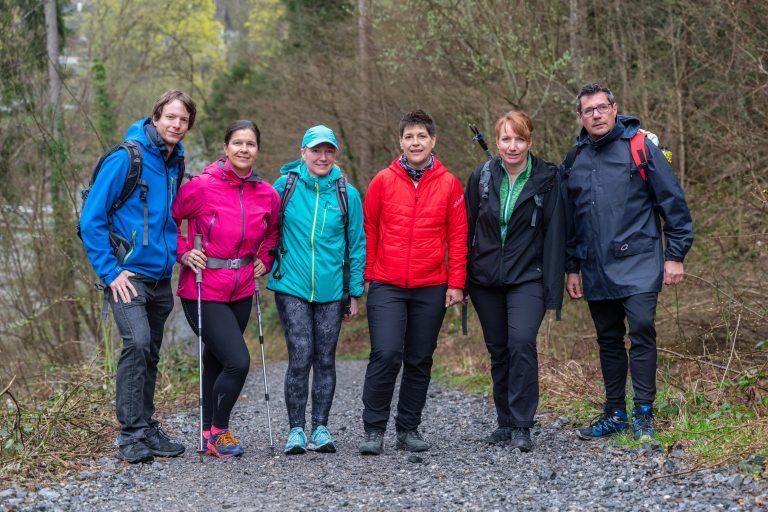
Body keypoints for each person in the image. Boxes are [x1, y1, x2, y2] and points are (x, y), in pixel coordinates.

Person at [562, 83, 694, 442]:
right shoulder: (575, 158)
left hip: (639, 261)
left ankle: (644, 414)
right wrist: (571, 266)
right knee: (607, 340)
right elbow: (570, 221)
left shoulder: (641, 147)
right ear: (580, 117)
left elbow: (674, 204)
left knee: (641, 333)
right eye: (589, 110)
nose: (596, 114)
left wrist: (675, 255)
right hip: (595, 267)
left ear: (614, 108)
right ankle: (615, 412)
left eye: (602, 107)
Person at [81, 90, 196, 463]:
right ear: (156, 117)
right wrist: (110, 272)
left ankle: (145, 427)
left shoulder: (174, 161)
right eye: (170, 117)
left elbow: (169, 220)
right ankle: (130, 435)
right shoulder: (126, 158)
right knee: (137, 344)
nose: (176, 125)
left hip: (161, 278)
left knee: (150, 354)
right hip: (127, 276)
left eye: (183, 120)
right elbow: (91, 220)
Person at [359, 110, 468, 455]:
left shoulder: (449, 183)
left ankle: (408, 429)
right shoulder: (382, 181)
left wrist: (456, 283)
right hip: (387, 283)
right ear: (401, 142)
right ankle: (373, 430)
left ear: (433, 141)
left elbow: (459, 236)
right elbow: (369, 230)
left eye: (422, 136)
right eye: (409, 137)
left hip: (431, 284)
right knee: (387, 354)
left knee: (420, 358)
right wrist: (367, 278)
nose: (415, 142)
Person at [173, 120, 281, 458]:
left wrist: (266, 257)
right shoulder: (201, 187)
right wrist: (183, 252)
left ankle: (207, 434)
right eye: (237, 143)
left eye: (250, 144)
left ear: (257, 150)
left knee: (217, 361)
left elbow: (274, 231)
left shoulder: (267, 193)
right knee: (238, 361)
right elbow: (168, 220)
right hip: (203, 288)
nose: (244, 149)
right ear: (226, 148)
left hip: (243, 288)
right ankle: (220, 430)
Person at [465, 111, 565, 452]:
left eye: (519, 139)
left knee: (521, 342)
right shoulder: (480, 176)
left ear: (530, 142)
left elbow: (556, 234)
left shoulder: (548, 179)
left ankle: (523, 423)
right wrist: (461, 282)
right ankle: (504, 422)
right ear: (497, 142)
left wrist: (555, 287)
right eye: (506, 139)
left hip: (528, 277)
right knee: (499, 350)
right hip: (485, 279)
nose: (512, 146)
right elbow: (466, 230)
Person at [266, 125, 365, 455]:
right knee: (301, 354)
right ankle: (295, 430)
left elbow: (357, 244)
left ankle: (320, 428)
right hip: (290, 284)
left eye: (328, 151)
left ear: (334, 154)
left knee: (325, 358)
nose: (322, 157)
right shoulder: (285, 186)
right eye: (316, 150)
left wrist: (354, 292)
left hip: (331, 289)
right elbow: (264, 227)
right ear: (303, 152)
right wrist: (260, 260)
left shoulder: (346, 193)